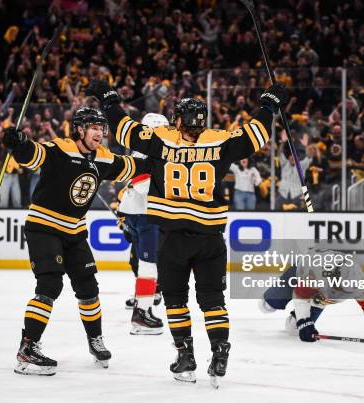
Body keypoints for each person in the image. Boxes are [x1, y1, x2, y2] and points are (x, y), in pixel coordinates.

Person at [89, 79, 288, 386]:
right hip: (210, 238)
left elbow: (123, 128)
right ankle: (220, 351)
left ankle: (185, 357)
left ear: (178, 120)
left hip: (173, 238)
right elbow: (255, 135)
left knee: (176, 300)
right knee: (212, 299)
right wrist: (270, 104)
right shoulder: (220, 140)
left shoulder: (162, 140)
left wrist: (109, 99)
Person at [4, 107, 142, 376]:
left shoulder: (102, 157)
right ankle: (27, 348)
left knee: (89, 287)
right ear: (79, 129)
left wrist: (165, 159)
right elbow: (33, 154)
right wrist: (18, 144)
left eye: (102, 128)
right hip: (44, 227)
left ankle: (95, 341)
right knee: (50, 284)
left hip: (75, 231)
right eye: (94, 127)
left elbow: (131, 167)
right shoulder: (61, 148)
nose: (100, 133)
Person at [259, 249, 364, 343]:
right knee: (266, 306)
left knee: (294, 329)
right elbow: (300, 295)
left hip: (319, 297)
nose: (341, 292)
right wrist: (304, 320)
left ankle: (295, 318)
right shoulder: (317, 273)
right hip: (299, 271)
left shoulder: (360, 282)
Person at [118, 113, 169, 335]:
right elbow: (143, 186)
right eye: (164, 129)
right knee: (148, 265)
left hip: (136, 214)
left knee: (145, 264)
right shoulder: (146, 152)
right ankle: (141, 314)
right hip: (146, 216)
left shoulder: (143, 151)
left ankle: (143, 306)